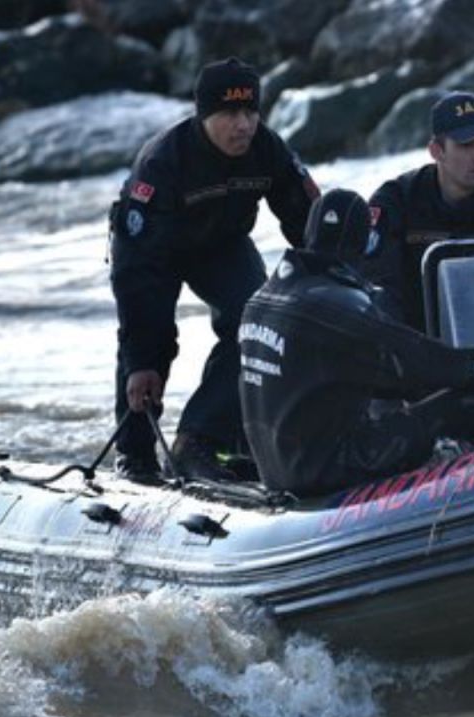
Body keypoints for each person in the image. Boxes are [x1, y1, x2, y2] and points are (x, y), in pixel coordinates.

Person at [239, 189, 474, 498]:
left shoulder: (261, 299)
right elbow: (420, 365)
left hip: (281, 470)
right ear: (363, 240)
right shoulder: (339, 307)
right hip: (328, 470)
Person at [108, 57, 320, 484]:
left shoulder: (267, 148)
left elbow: (310, 223)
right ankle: (134, 454)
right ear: (203, 115)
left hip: (222, 245)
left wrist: (337, 288)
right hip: (154, 251)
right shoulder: (162, 163)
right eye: (230, 114)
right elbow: (137, 277)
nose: (243, 125)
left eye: (251, 112)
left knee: (256, 322)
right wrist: (140, 361)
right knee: (152, 346)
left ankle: (202, 441)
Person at [362, 90, 474, 331]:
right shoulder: (394, 201)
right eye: (466, 145)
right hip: (410, 338)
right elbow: (376, 288)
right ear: (437, 151)